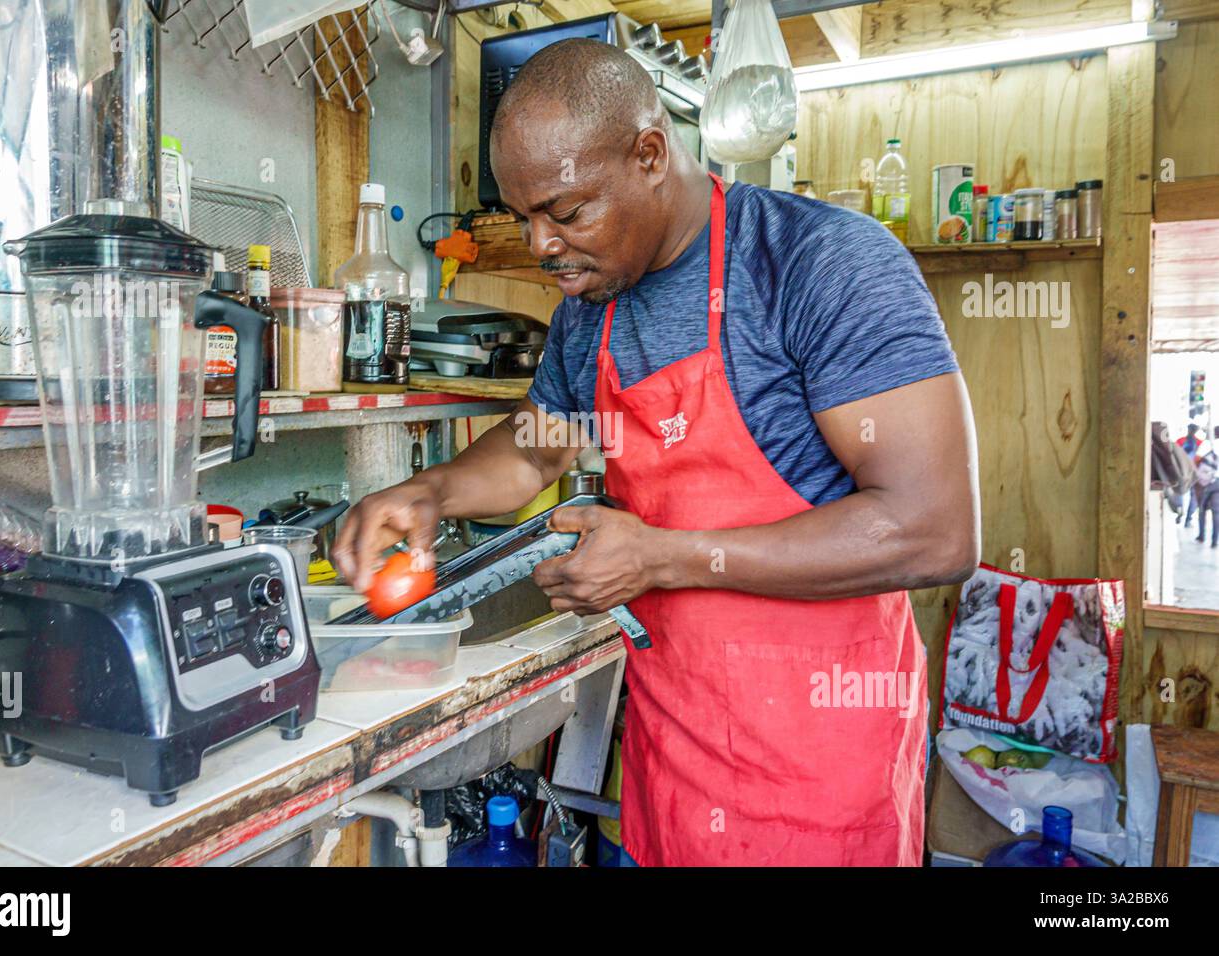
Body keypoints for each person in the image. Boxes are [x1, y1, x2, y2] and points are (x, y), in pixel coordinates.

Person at [333, 39, 980, 866]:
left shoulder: (821, 263)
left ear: (649, 154)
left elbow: (933, 530)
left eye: (565, 212)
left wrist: (662, 559)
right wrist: (432, 491)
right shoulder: (591, 306)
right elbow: (537, 450)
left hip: (817, 773)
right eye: (522, 217)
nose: (541, 246)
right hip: (674, 757)